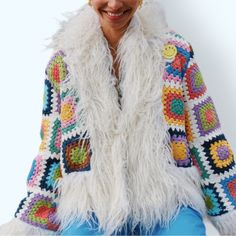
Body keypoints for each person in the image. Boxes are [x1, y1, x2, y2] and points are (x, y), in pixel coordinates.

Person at [0, 0, 236, 235]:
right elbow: (52, 147)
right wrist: (33, 218)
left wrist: (229, 210)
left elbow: (206, 136)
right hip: (91, 205)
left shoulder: (175, 53)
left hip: (168, 201)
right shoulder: (65, 61)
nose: (114, 4)